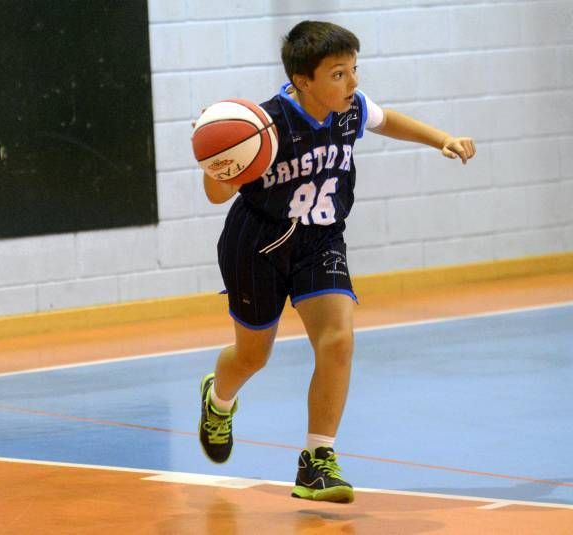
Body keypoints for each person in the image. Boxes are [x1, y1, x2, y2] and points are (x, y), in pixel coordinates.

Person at [198, 20, 476, 504]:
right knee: (252, 356)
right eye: (339, 74)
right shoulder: (262, 126)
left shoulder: (350, 111)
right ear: (303, 80)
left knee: (339, 340)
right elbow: (217, 193)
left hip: (320, 239)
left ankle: (317, 460)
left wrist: (442, 138)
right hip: (256, 246)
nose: (352, 83)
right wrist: (215, 157)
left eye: (354, 70)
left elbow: (387, 120)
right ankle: (218, 401)